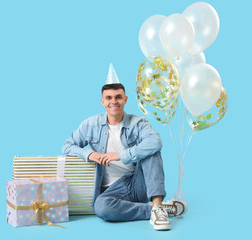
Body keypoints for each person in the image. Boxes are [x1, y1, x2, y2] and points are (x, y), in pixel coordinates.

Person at [62, 64, 187, 230]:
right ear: (102, 101)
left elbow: (155, 142)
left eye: (118, 97)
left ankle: (157, 206)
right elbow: (67, 146)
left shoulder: (138, 123)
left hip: (138, 183)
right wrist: (89, 154)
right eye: (109, 98)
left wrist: (120, 155)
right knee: (101, 207)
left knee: (151, 151)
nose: (114, 101)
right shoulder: (89, 125)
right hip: (111, 189)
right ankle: (155, 210)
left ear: (125, 99)